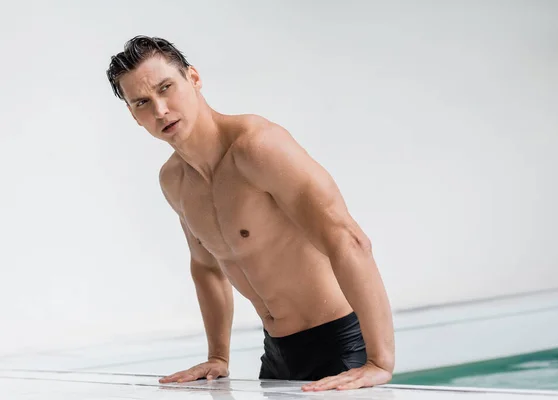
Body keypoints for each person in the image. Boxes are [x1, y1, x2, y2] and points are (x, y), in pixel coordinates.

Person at [106, 35, 395, 392]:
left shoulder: (258, 147)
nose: (160, 110)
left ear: (193, 78)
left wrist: (379, 361)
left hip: (340, 344)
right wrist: (218, 357)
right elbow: (207, 267)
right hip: (276, 353)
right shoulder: (174, 181)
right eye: (143, 102)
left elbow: (348, 240)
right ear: (134, 115)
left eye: (167, 88)